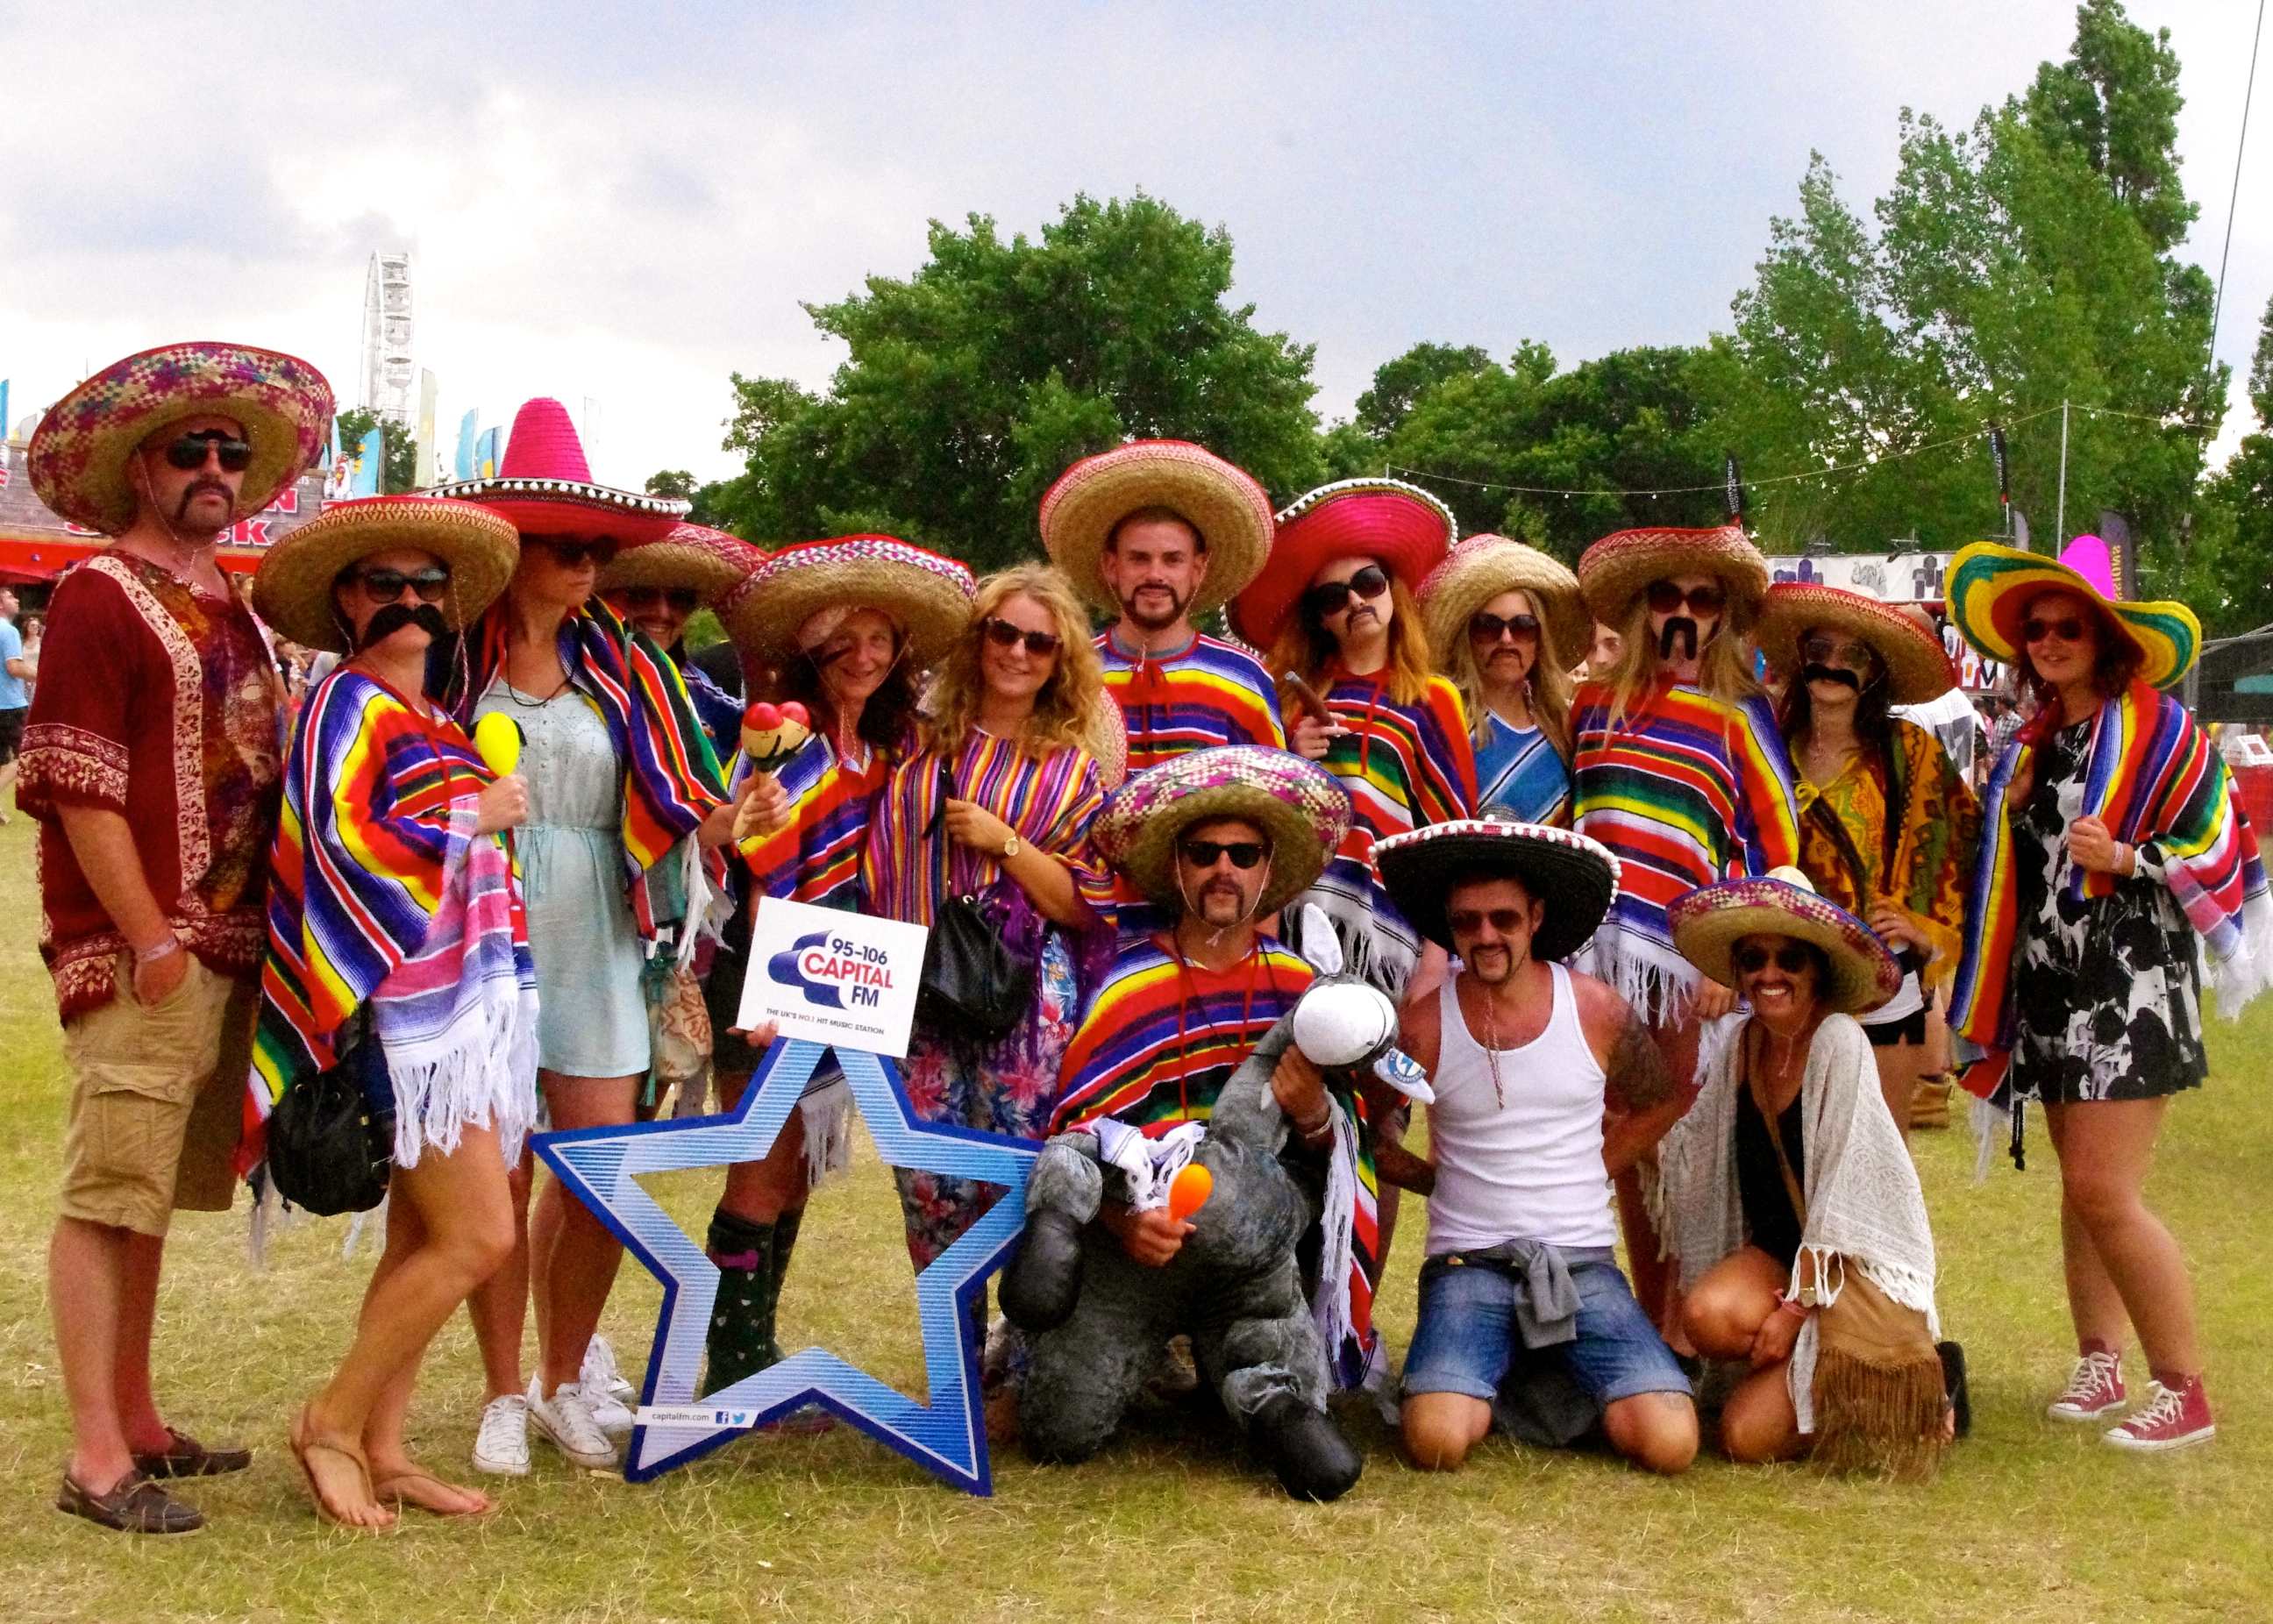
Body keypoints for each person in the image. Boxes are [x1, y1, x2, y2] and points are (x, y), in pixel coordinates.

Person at [20, 341, 332, 1533]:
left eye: (231, 453)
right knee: (109, 1191)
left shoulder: (232, 602)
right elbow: (74, 784)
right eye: (188, 450)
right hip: (147, 948)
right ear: (138, 468)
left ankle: (139, 1417)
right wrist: (147, 932)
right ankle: (97, 1458)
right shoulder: (101, 595)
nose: (214, 468)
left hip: (228, 945)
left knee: (151, 1192)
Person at [432, 396, 746, 1473]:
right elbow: (384, 782)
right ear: (509, 549)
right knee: (498, 1175)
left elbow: (691, 796)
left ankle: (566, 1377)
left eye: (596, 550)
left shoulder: (631, 666)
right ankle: (499, 1390)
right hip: (482, 929)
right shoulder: (445, 663)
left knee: (600, 1169)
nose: (587, 567)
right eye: (566, 548)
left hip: (602, 927)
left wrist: (737, 814)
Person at [243, 495, 535, 1526]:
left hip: (455, 1018)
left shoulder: (432, 717)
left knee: (426, 1237)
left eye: (426, 586)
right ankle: (331, 1420)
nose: (409, 601)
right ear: (344, 603)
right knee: (479, 1236)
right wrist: (473, 811)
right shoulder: (345, 706)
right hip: (400, 1023)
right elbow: (334, 842)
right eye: (384, 585)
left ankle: (384, 1443)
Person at [1944, 535, 2272, 1452]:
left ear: (2106, 638)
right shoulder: (2037, 740)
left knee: (2105, 1187)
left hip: (2130, 983)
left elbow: (2219, 845)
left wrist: (2129, 857)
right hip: (2051, 983)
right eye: (2035, 630)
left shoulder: (2160, 728)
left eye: (2067, 628)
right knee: (2080, 1190)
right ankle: (2101, 1358)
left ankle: (2185, 1387)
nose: (2048, 642)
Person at [1019, 746, 1371, 1489]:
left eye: (1243, 854)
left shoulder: (1307, 994)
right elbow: (1084, 1129)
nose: (1224, 869)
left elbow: (1338, 1160)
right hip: (1137, 1248)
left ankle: (1272, 1400)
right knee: (1061, 1432)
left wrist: (1311, 1116)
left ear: (1267, 870)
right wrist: (1123, 1223)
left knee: (1244, 1239)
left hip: (1252, 1256)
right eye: (1204, 852)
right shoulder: (1128, 981)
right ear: (1176, 867)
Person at [701, 535, 974, 1396]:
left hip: (859, 974)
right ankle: (732, 1353)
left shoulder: (896, 748)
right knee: (763, 1156)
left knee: (801, 1169)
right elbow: (749, 858)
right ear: (815, 648)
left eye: (881, 640)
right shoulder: (782, 738)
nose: (865, 655)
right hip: (777, 966)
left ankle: (755, 1343)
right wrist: (760, 989)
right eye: (846, 639)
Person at [1374, 818, 1698, 1476]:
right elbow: (1369, 1130)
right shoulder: (1423, 1025)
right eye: (1467, 923)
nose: (1485, 936)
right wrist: (1439, 1182)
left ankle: (1528, 1370)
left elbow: (1661, 1099)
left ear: (1537, 917)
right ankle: (1524, 1372)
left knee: (1672, 1445)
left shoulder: (1597, 1010)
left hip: (1581, 1261)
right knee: (1436, 1443)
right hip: (1469, 1265)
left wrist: (1592, 1168)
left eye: (1504, 919)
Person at [861, 563, 1118, 1341]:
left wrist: (1003, 841)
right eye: (1002, 632)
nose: (1017, 652)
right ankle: (955, 1359)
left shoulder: (1070, 767)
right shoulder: (910, 742)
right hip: (913, 986)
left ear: (1059, 661)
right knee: (930, 1183)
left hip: (1022, 999)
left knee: (1017, 1173)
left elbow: (1084, 903)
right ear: (976, 639)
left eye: (1039, 644)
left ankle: (1026, 1354)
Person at [1568, 524, 1800, 1325]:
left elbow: (1774, 847)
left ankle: (1679, 1326)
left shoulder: (1743, 716)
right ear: (1641, 609)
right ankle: (1646, 1318)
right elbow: (1577, 823)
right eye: (1667, 596)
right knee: (1624, 1141)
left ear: (1723, 616)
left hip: (1684, 966)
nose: (1684, 612)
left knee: (1675, 1146)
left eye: (1703, 601)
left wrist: (1722, 957)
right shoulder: (1596, 704)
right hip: (1597, 961)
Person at [1664, 868, 1952, 1476]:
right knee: (1706, 1316)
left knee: (1744, 1438)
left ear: (1817, 967)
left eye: (1788, 959)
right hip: (1778, 1255)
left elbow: (1848, 1195)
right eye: (1753, 960)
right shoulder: (1743, 1042)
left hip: (1845, 1269)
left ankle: (1902, 1388)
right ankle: (1822, 1379)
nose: (1769, 975)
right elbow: (1693, 1148)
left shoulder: (1839, 1041)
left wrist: (1795, 1313)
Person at [1229, 477, 1477, 996]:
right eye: (1332, 596)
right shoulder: (1291, 702)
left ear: (1392, 589)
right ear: (1318, 619)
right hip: (1299, 922)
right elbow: (1264, 822)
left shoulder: (1433, 700)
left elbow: (1452, 839)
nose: (1356, 601)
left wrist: (1435, 959)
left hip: (1399, 935)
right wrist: (1292, 756)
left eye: (1368, 581)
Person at [1756, 584, 1978, 1136]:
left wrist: (1923, 922)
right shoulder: (1767, 743)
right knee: (1784, 1152)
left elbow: (1964, 834)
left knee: (1876, 1158)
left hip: (1883, 981)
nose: (1832, 666)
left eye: (1852, 656)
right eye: (1820, 651)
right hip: (1781, 974)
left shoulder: (1908, 750)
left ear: (1874, 672)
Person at [1038, 439, 1285, 772]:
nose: (1155, 575)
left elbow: (1274, 799)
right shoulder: (1069, 674)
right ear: (1111, 566)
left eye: (1173, 560)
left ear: (1198, 569)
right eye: (1139, 558)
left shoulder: (1244, 680)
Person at [1417, 535, 1587, 825]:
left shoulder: (1566, 723)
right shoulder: (1443, 723)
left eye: (1523, 627)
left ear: (1539, 639)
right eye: (1488, 626)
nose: (1506, 639)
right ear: (1467, 639)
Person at [597, 522, 765, 764]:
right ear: (602, 597)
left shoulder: (692, 684)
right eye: (642, 595)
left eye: (680, 599)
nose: (662, 613)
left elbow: (760, 733)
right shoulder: (572, 674)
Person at [0, 586, 32, 821]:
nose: (17, 600)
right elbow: (14, 667)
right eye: (11, 597)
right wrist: (47, 676)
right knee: (27, 756)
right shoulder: (8, 631)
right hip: (10, 705)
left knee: (3, 761)